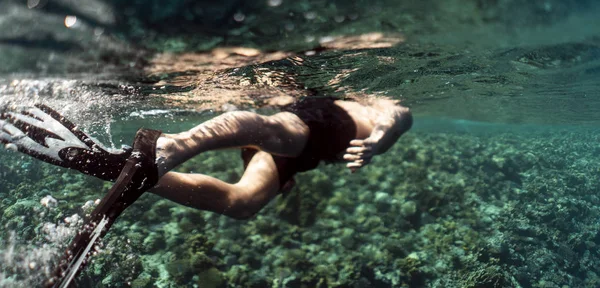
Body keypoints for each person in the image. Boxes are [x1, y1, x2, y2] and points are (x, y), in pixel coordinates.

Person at [0, 96, 412, 220]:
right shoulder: (377, 104)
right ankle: (172, 147)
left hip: (310, 154)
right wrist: (377, 138)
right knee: (276, 132)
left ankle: (117, 165)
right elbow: (396, 117)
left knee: (243, 204)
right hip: (326, 126)